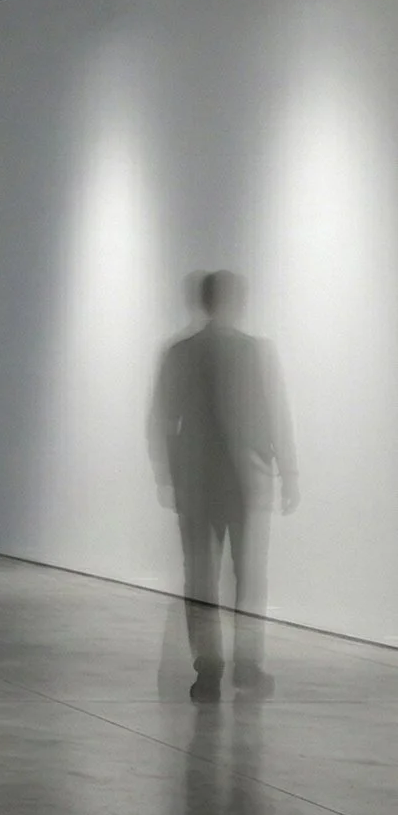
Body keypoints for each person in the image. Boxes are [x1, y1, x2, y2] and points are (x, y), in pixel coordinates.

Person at [148, 270, 297, 702]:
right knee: (246, 577)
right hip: (242, 480)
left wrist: (168, 474)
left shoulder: (181, 352)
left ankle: (210, 668)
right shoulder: (254, 352)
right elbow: (275, 414)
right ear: (235, 301)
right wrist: (287, 471)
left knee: (202, 577)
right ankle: (244, 665)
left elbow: (161, 418)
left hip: (198, 483)